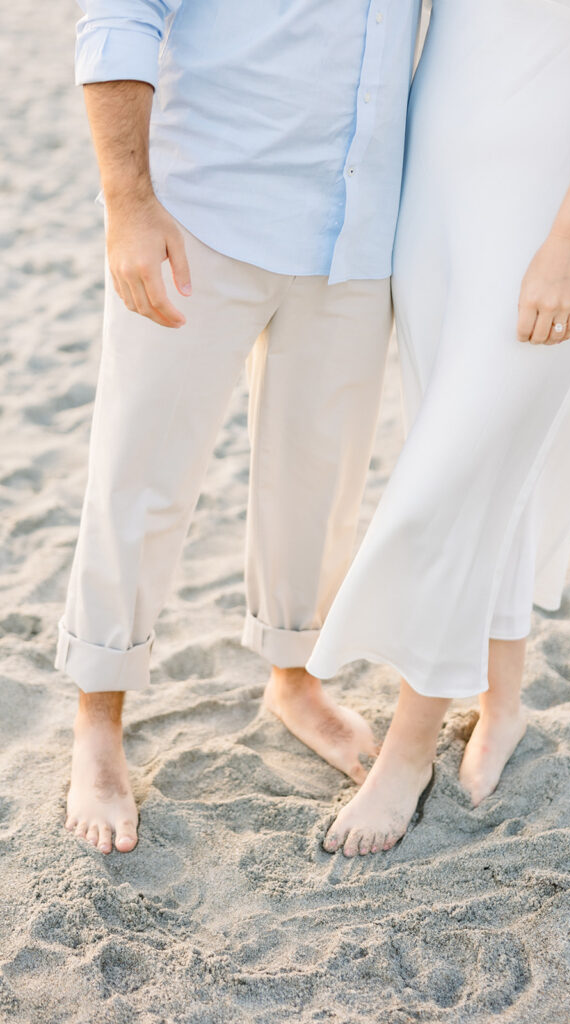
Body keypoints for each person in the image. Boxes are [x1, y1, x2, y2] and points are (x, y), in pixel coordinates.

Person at [307, 0, 570, 857]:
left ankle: (407, 748)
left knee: (453, 473)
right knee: (487, 464)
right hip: (437, 196)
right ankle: (502, 697)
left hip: (550, 206)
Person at [56, 0, 424, 855]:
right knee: (140, 473)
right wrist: (127, 205)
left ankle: (292, 680)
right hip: (199, 213)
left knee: (320, 482)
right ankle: (98, 717)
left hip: (356, 227)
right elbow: (119, 13)